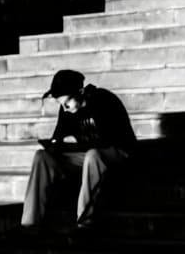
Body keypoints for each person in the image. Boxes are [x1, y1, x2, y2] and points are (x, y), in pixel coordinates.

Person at [21, 69, 136, 232]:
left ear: (80, 92)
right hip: (87, 155)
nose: (65, 108)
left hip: (118, 152)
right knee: (42, 156)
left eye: (67, 103)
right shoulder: (67, 111)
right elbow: (58, 137)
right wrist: (55, 145)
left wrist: (78, 142)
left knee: (93, 155)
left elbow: (109, 140)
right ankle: (29, 223)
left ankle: (84, 222)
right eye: (61, 105)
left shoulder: (103, 100)